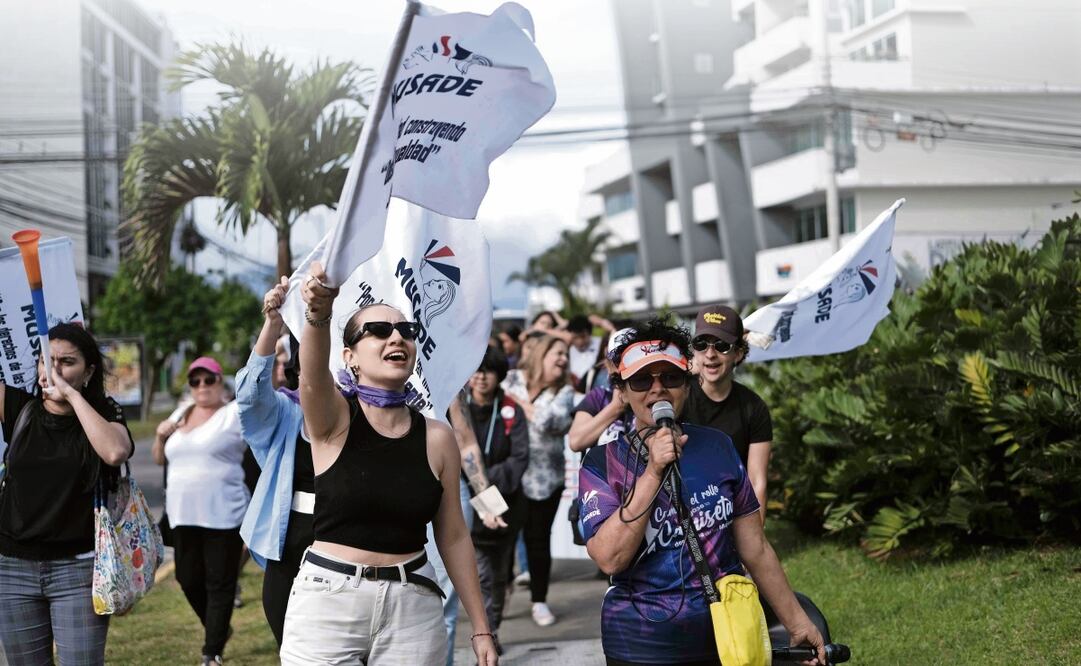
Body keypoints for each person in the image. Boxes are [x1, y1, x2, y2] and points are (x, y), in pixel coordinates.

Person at [578, 319, 825, 666]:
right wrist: (653, 471)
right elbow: (609, 558)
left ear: (688, 384)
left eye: (671, 378)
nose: (657, 389)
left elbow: (755, 547)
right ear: (622, 389)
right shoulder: (602, 462)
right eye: (641, 380)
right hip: (639, 644)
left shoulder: (718, 447)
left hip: (724, 638)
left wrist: (798, 622)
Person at [285, 262, 497, 665]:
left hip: (412, 607)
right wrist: (319, 314)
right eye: (379, 331)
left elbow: (452, 536)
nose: (397, 336)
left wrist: (481, 627)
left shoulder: (438, 437)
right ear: (350, 357)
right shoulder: (334, 420)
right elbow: (311, 380)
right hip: (329, 603)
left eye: (406, 331)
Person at [0, 324, 134, 665]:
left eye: (67, 362)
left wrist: (72, 396)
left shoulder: (104, 412)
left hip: (78, 571)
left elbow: (116, 452)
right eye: (47, 360)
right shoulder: (20, 408)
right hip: (12, 567)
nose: (55, 369)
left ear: (88, 371)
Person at [234, 277, 315, 647]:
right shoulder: (285, 413)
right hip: (289, 556)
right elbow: (250, 396)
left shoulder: (365, 412)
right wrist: (272, 324)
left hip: (350, 559)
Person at [154, 356, 250, 666]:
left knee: (219, 582)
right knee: (187, 578)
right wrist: (159, 435)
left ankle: (212, 652)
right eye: (195, 381)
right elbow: (160, 459)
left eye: (209, 380)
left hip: (224, 513)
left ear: (221, 383)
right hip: (183, 515)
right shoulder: (181, 413)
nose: (202, 386)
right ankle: (218, 629)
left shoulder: (234, 414)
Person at [501, 335, 575, 627]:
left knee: (537, 541)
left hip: (546, 482)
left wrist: (515, 403)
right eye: (558, 352)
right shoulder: (513, 378)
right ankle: (501, 590)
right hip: (507, 476)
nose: (563, 359)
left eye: (566, 355)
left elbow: (548, 421)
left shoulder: (565, 391)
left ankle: (539, 601)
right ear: (541, 354)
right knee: (503, 539)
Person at [465, 345, 529, 649]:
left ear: (499, 375)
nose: (481, 377)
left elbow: (519, 460)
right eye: (477, 370)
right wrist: (476, 486)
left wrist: (483, 481)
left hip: (506, 508)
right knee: (483, 576)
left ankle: (494, 627)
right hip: (467, 509)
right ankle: (487, 631)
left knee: (501, 575)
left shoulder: (511, 411)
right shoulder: (457, 409)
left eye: (488, 371)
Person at [682, 305, 773, 519]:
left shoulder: (754, 407)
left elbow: (757, 481)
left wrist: (754, 543)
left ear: (738, 353)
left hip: (730, 515)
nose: (711, 354)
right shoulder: (678, 397)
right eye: (701, 344)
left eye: (722, 346)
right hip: (680, 515)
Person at [568, 328, 635, 454]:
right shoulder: (599, 396)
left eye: (630, 360)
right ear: (608, 365)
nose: (622, 368)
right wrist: (616, 407)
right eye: (617, 361)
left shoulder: (650, 396)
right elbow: (576, 442)